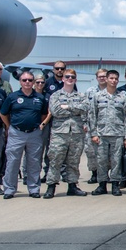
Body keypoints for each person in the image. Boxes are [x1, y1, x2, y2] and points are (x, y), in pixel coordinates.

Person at [0, 71, 49, 199]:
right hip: (16, 133)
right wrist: (9, 126)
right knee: (13, 162)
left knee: (34, 162)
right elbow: (3, 113)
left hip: (34, 133)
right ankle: (9, 190)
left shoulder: (39, 98)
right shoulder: (13, 97)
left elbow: (44, 114)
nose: (27, 82)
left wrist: (39, 125)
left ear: (33, 82)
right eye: (24, 80)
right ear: (20, 82)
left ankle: (34, 189)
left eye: (30, 80)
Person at [43, 69, 90, 198]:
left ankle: (72, 186)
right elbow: (56, 111)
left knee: (73, 161)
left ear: (75, 79)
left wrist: (68, 107)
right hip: (59, 134)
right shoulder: (55, 96)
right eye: (67, 77)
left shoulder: (81, 96)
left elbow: (85, 108)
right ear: (62, 79)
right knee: (55, 160)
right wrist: (75, 109)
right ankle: (51, 187)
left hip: (76, 134)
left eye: (72, 77)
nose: (70, 79)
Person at [88, 70, 126, 196]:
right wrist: (93, 134)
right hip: (101, 134)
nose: (114, 80)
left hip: (118, 134)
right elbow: (92, 116)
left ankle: (115, 185)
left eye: (116, 78)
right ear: (106, 79)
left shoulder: (122, 97)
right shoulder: (98, 96)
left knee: (116, 160)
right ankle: (102, 185)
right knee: (101, 160)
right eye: (111, 78)